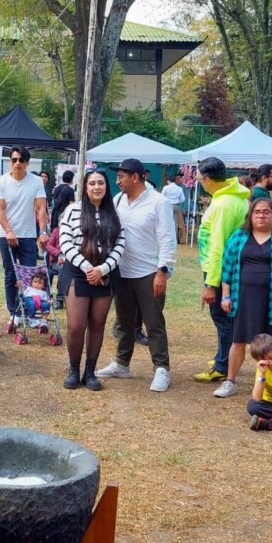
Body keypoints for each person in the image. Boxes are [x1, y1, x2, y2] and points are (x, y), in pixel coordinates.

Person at [95, 158, 176, 393]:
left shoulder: (159, 202)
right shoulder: (118, 200)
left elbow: (167, 239)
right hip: (122, 271)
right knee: (124, 321)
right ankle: (122, 363)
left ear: (135, 177)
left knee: (153, 322)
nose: (117, 180)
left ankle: (162, 368)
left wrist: (163, 271)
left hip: (149, 272)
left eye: (121, 176)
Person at [216, 197, 272, 398]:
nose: (261, 215)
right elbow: (227, 269)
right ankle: (230, 381)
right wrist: (225, 296)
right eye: (257, 212)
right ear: (250, 215)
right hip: (243, 298)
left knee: (269, 344)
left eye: (266, 212)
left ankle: (270, 383)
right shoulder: (239, 236)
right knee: (238, 340)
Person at [58, 169, 125, 391]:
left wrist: (103, 269)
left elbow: (120, 244)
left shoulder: (114, 213)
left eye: (101, 183)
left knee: (97, 324)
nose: (97, 187)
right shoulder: (72, 210)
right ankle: (73, 369)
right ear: (85, 187)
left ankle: (90, 371)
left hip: (105, 273)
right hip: (78, 272)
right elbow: (65, 242)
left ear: (106, 187)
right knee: (76, 326)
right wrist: (88, 268)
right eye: (92, 183)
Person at [194, 156, 251, 384]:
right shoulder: (232, 198)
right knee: (225, 317)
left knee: (222, 317)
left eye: (199, 178)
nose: (199, 182)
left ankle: (222, 364)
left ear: (207, 179)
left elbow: (218, 246)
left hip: (221, 271)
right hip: (227, 270)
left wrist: (210, 284)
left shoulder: (223, 204)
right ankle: (224, 356)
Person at [0, 145, 49, 318]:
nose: (17, 163)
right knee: (10, 275)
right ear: (10, 161)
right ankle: (14, 313)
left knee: (30, 275)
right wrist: (9, 231)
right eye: (14, 160)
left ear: (27, 163)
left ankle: (30, 310)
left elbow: (41, 208)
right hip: (6, 235)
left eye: (21, 160)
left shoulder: (36, 181)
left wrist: (43, 231)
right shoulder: (1, 181)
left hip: (28, 235)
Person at [161, 172, 188, 244]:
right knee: (176, 223)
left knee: (166, 221)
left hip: (168, 205)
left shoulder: (165, 187)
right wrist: (177, 201)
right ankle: (174, 239)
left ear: (168, 181)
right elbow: (183, 199)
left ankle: (167, 238)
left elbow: (161, 197)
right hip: (176, 205)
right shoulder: (179, 188)